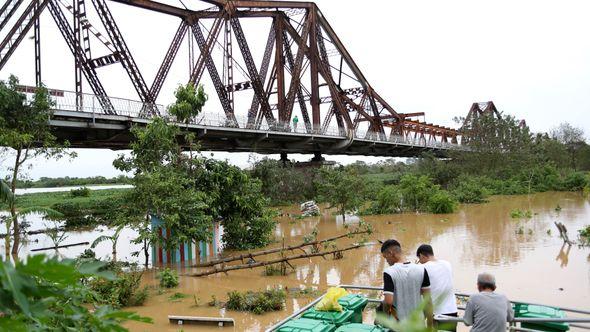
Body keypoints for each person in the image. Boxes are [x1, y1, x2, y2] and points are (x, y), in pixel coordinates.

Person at [381, 239, 433, 328]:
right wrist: (429, 325)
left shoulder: (389, 272)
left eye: (386, 257)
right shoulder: (421, 270)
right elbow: (428, 301)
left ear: (390, 253)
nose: (387, 261)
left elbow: (388, 302)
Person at [416, 244, 458, 331]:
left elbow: (418, 290)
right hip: (452, 310)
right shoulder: (447, 264)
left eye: (419, 259)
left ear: (421, 255)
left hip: (438, 313)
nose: (420, 261)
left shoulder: (422, 267)